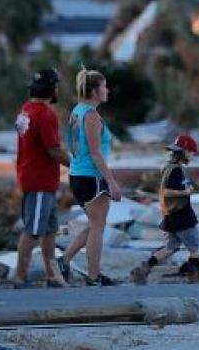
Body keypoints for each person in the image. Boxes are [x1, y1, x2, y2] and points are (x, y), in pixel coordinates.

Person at [56, 67, 122, 286]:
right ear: (94, 91)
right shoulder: (91, 116)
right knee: (98, 227)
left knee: (95, 223)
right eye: (104, 86)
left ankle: (64, 260)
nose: (107, 90)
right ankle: (94, 277)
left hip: (78, 174)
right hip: (90, 176)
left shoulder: (78, 110)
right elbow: (95, 153)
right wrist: (111, 182)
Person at [14, 68, 71, 288]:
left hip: (34, 177)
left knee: (49, 230)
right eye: (56, 86)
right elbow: (54, 150)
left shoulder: (25, 110)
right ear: (50, 88)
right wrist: (76, 166)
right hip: (39, 180)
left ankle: (51, 275)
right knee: (34, 229)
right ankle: (20, 276)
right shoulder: (45, 115)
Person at [130, 134, 199, 285]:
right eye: (192, 153)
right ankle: (192, 274)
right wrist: (186, 192)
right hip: (180, 213)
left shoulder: (169, 167)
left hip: (170, 214)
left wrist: (186, 187)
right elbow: (167, 191)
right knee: (194, 244)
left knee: (170, 247)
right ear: (185, 152)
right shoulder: (175, 170)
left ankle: (144, 269)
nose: (192, 156)